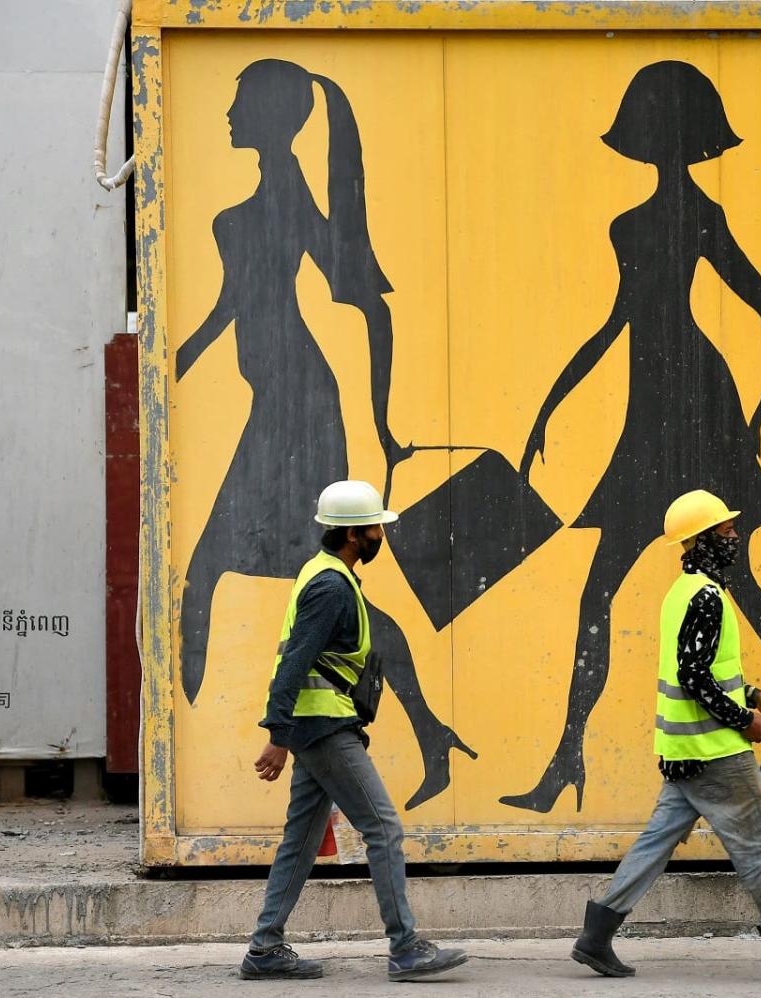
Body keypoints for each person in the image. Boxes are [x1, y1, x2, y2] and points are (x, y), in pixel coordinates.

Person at [502, 60, 761, 814]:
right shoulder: (634, 224)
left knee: (731, 590)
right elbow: (620, 322)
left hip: (700, 407)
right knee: (606, 591)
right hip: (655, 413)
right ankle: (567, 756)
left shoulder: (697, 214)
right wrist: (549, 407)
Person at [174, 58, 473, 811]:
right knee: (241, 578)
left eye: (240, 101)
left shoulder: (286, 192)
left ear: (272, 116)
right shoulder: (269, 196)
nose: (229, 114)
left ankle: (202, 756)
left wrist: (382, 422)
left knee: (212, 572)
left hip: (301, 411)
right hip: (276, 407)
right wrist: (173, 363)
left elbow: (372, 307)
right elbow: (235, 301)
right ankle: (429, 731)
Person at [569, 490, 761, 984]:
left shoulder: (685, 592)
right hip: (716, 752)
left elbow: (707, 671)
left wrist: (755, 693)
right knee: (759, 847)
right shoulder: (705, 598)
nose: (734, 537)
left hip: (683, 751)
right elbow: (694, 676)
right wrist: (745, 721)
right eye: (724, 532)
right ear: (699, 542)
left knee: (655, 844)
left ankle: (596, 935)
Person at [240, 480, 468, 982]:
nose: (380, 536)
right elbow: (295, 663)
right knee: (383, 828)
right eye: (374, 529)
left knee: (299, 840)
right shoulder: (330, 586)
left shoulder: (326, 573)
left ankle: (264, 948)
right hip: (322, 729)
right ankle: (405, 947)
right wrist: (277, 735)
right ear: (353, 535)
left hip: (320, 725)